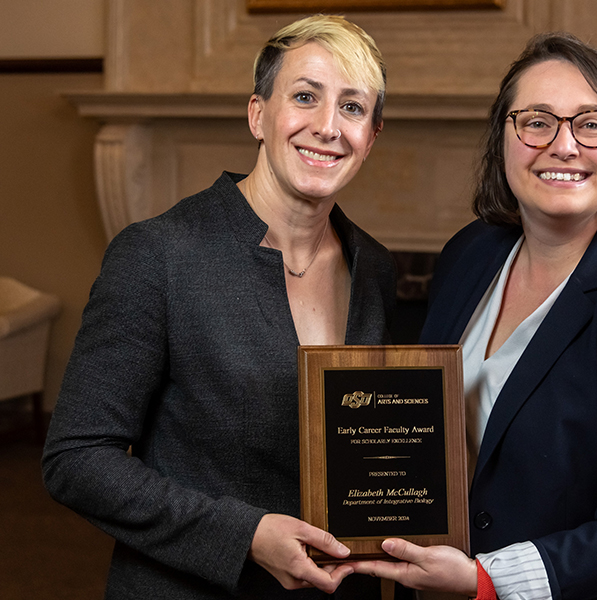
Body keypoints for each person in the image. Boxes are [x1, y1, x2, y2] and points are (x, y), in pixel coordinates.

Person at [351, 32, 597, 600]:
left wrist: (486, 579)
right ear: (502, 139)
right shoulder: (470, 256)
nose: (563, 146)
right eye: (536, 121)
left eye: (591, 123)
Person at [42, 15, 394, 599]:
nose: (328, 127)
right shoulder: (158, 254)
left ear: (372, 135)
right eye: (305, 97)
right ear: (258, 115)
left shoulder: (376, 269)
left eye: (353, 108)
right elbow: (76, 459)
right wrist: (245, 533)